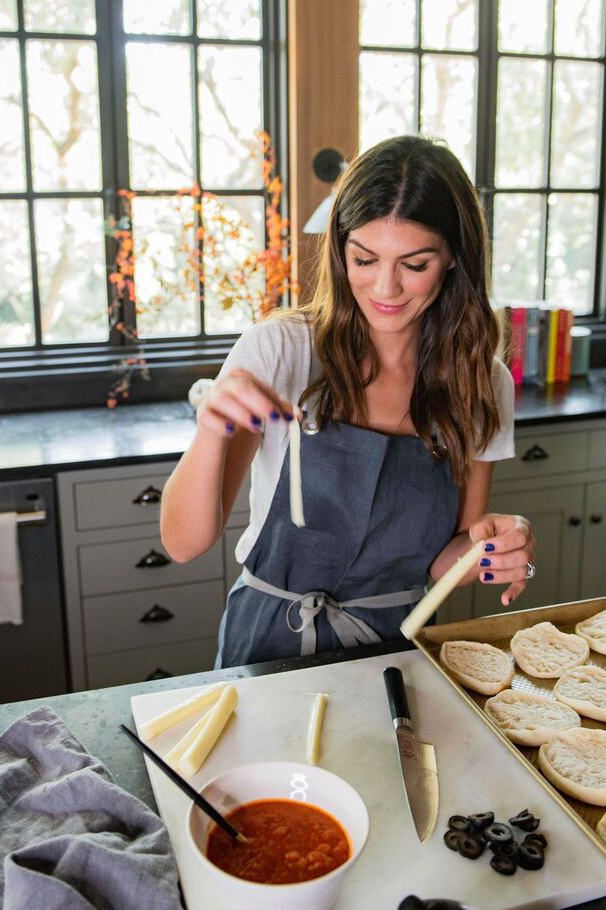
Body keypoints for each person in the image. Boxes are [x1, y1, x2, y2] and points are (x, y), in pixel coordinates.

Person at [161, 135, 535, 668]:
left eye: (415, 264)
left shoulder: (481, 382)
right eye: (363, 258)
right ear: (341, 249)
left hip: (396, 651)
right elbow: (183, 543)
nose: (385, 287)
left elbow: (446, 559)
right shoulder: (282, 350)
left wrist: (500, 543)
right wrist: (208, 431)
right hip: (269, 641)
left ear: (454, 259)